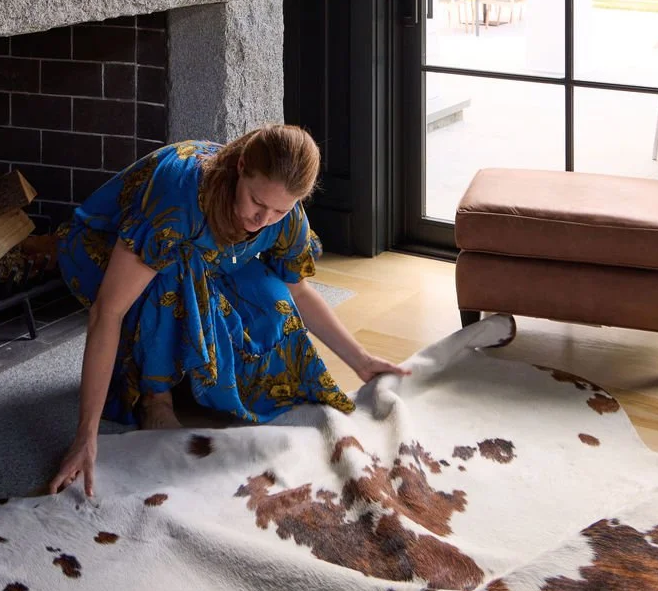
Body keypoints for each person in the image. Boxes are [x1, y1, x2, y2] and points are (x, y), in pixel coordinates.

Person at [49, 125, 403, 498]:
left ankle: (194, 369)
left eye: (279, 210)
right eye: (256, 201)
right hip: (101, 250)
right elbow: (108, 312)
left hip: (210, 254)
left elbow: (298, 291)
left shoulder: (284, 215)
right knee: (179, 270)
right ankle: (157, 397)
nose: (262, 219)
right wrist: (85, 436)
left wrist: (360, 360)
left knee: (272, 299)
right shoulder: (178, 199)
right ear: (241, 166)